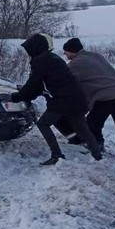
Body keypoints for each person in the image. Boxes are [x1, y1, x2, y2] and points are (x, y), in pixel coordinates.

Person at [10, 33, 103, 165]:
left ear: (35, 47)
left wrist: (18, 96)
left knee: (43, 124)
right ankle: (98, 157)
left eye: (29, 48)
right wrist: (26, 94)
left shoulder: (40, 60)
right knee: (81, 127)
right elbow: (40, 85)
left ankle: (57, 155)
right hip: (77, 98)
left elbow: (34, 83)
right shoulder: (52, 58)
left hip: (63, 100)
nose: (28, 52)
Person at [63, 38, 115, 164]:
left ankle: (97, 148)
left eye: (66, 52)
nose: (65, 55)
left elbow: (63, 80)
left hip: (107, 96)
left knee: (92, 124)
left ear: (72, 51)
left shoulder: (75, 64)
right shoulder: (95, 55)